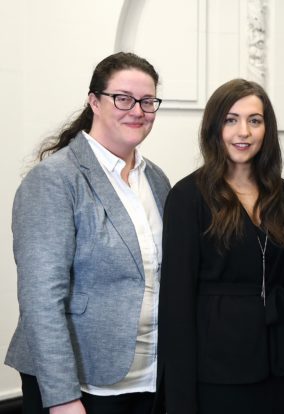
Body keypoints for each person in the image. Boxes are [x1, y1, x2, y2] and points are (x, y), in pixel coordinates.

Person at [5, 52, 170, 413]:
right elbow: (41, 298)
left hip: (147, 378)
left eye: (147, 101)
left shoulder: (156, 179)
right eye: (123, 98)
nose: (137, 110)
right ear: (94, 101)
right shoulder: (55, 179)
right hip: (80, 384)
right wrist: (62, 397)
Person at [158, 79, 284, 413]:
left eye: (255, 120)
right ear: (214, 128)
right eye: (231, 120)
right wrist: (180, 401)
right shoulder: (187, 197)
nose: (244, 132)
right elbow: (176, 306)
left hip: (282, 367)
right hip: (218, 372)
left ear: (267, 129)